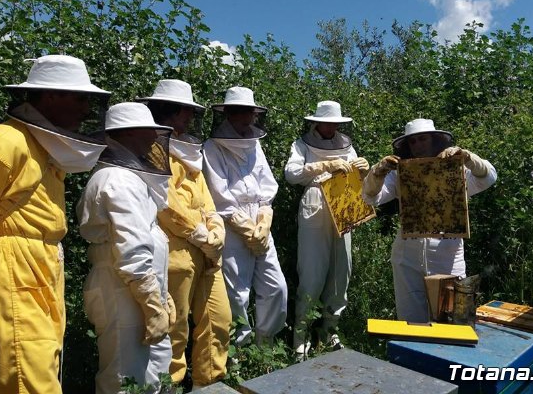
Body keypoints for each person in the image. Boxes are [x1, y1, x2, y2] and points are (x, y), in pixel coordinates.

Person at [0, 55, 110, 394]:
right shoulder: (4, 143)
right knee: (25, 377)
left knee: (43, 367)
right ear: (50, 96)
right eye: (79, 98)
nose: (86, 110)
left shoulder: (41, 148)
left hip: (42, 267)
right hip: (13, 269)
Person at [78, 102, 176, 394]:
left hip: (135, 288)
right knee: (124, 376)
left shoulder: (127, 177)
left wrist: (161, 294)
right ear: (129, 133)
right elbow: (132, 251)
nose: (153, 138)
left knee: (155, 372)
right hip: (121, 291)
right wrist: (152, 302)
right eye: (147, 131)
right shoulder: (118, 180)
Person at [141, 80, 231, 389]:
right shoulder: (151, 149)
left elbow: (205, 198)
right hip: (176, 251)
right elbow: (167, 204)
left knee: (219, 319)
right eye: (186, 111)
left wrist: (216, 229)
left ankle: (210, 384)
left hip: (208, 252)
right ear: (171, 112)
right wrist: (201, 234)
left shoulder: (189, 150)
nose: (190, 117)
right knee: (175, 326)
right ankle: (171, 385)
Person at [362, 118, 497, 322]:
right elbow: (370, 197)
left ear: (435, 140)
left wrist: (468, 157)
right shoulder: (401, 173)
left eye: (423, 139)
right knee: (411, 321)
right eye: (413, 141)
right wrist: (377, 172)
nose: (418, 145)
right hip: (407, 255)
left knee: (452, 319)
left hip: (447, 253)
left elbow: (488, 177)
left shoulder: (454, 169)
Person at [202, 86, 288, 346]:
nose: (248, 118)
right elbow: (219, 195)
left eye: (250, 112)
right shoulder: (212, 147)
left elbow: (266, 184)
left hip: (260, 223)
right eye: (242, 112)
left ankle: (265, 344)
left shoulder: (254, 143)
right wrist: (247, 228)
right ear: (229, 113)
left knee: (276, 287)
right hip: (231, 227)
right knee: (237, 293)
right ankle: (239, 350)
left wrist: (264, 218)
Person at [284, 101, 369, 361]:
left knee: (341, 272)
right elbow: (291, 174)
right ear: (317, 122)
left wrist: (364, 170)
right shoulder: (301, 144)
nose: (332, 127)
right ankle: (301, 337)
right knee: (312, 273)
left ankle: (329, 331)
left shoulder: (347, 145)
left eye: (335, 123)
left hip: (344, 205)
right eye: (327, 123)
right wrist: (323, 167)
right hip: (314, 205)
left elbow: (358, 179)